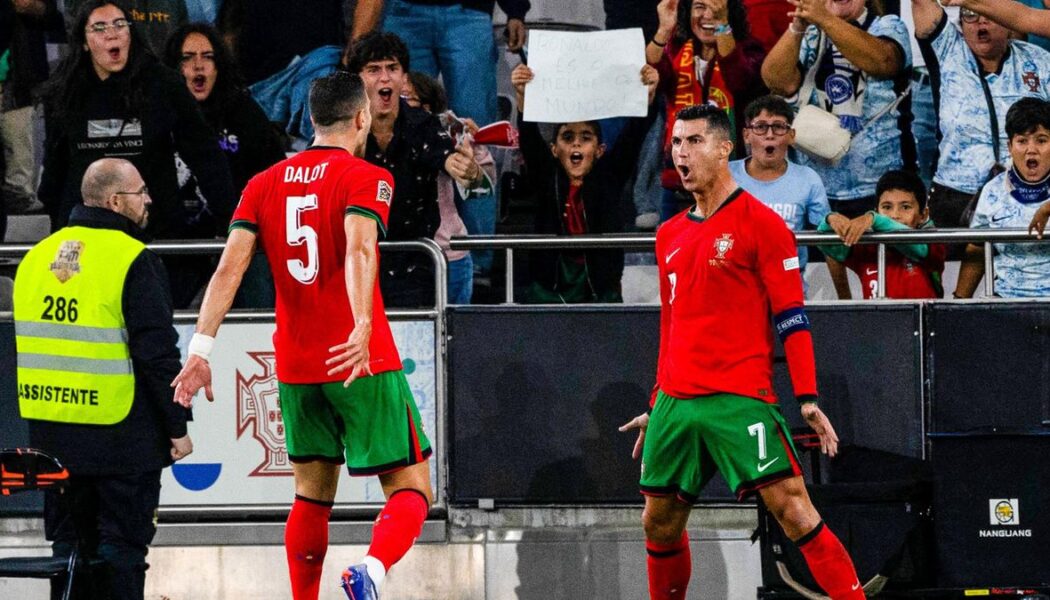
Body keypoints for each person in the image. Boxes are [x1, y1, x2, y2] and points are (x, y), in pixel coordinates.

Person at [170, 72, 433, 600]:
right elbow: (360, 249)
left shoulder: (262, 184)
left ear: (311, 120)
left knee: (311, 496)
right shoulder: (366, 177)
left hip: (294, 366)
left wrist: (200, 350)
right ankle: (372, 571)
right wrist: (361, 323)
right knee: (411, 489)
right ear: (361, 118)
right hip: (360, 359)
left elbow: (228, 269)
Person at [618, 104, 864, 600]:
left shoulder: (764, 225)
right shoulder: (669, 234)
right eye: (677, 144)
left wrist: (808, 397)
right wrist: (655, 400)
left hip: (738, 399)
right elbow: (672, 326)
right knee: (658, 524)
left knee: (794, 510)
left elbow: (793, 318)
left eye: (693, 142)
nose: (682, 154)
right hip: (675, 403)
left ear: (725, 148)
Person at [14, 158, 192, 599]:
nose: (149, 200)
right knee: (122, 552)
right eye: (141, 192)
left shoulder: (36, 258)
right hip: (121, 437)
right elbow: (156, 354)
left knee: (68, 553)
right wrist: (177, 426)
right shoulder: (132, 259)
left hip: (52, 439)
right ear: (115, 201)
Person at [38, 0, 236, 309]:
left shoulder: (164, 84)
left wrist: (231, 218)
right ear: (85, 42)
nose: (112, 35)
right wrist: (58, 226)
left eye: (120, 25)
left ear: (131, 34)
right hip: (86, 237)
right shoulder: (64, 91)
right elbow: (55, 166)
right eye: (100, 28)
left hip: (153, 234)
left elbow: (204, 154)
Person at [346, 31, 486, 307]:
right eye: (374, 70)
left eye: (392, 68)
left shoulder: (425, 124)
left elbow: (445, 157)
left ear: (404, 78)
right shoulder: (343, 130)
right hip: (354, 267)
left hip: (415, 269)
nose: (385, 78)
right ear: (357, 80)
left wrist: (468, 170)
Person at [163, 22, 287, 308]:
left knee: (259, 294)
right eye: (188, 58)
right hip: (177, 242)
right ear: (173, 66)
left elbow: (277, 176)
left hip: (238, 239)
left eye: (208, 57)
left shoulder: (243, 112)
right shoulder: (159, 112)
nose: (199, 66)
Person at [512, 63, 658, 303]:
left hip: (599, 285)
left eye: (586, 138)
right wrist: (521, 94)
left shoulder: (609, 177)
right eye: (567, 137)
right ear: (554, 149)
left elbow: (634, 136)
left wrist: (648, 95)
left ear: (600, 150)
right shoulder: (545, 177)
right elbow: (529, 138)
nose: (576, 144)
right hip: (550, 285)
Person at [762, 0, 912, 218]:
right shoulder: (811, 35)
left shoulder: (888, 25)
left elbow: (883, 61)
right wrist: (797, 27)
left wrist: (824, 18)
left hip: (884, 191)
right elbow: (777, 81)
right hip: (816, 188)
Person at [912, 0, 1050, 230]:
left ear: (1008, 22)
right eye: (970, 16)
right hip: (955, 196)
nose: (980, 23)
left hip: (1025, 196)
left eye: (988, 15)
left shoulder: (1040, 62)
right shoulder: (947, 49)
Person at [647, 0, 767, 221]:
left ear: (731, 12)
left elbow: (740, 79)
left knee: (723, 254)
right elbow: (653, 69)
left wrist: (722, 25)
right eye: (700, 7)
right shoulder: (677, 49)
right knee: (673, 252)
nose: (707, 15)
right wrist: (664, 29)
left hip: (730, 180)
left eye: (717, 7)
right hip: (678, 180)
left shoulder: (750, 49)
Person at [403, 71, 496, 304]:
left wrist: (473, 147)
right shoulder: (377, 140)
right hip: (398, 256)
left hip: (450, 254)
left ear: (428, 107)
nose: (400, 107)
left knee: (452, 336)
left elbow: (481, 189)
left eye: (408, 99)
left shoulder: (446, 134)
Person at [729, 95, 829, 288]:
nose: (769, 134)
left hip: (789, 283)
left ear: (791, 135)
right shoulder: (724, 176)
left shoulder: (808, 178)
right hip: (735, 285)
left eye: (778, 126)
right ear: (746, 135)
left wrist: (844, 298)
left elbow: (827, 239)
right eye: (760, 127)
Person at [957, 97, 1050, 298]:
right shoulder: (992, 191)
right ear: (1009, 147)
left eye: (1041, 140)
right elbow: (977, 250)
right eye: (1022, 141)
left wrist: (1046, 208)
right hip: (1006, 303)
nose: (1031, 150)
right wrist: (958, 303)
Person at [819, 169, 946, 299]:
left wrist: (875, 219)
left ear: (923, 215)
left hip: (921, 319)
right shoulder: (867, 249)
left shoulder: (932, 243)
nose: (895, 215)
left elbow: (919, 248)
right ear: (877, 210)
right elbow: (827, 244)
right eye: (887, 207)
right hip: (876, 319)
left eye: (906, 207)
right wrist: (830, 219)